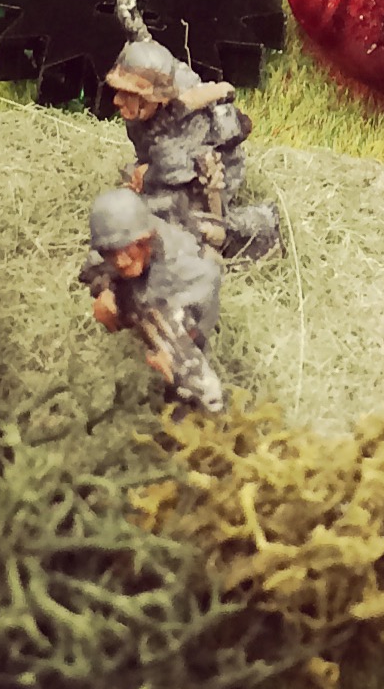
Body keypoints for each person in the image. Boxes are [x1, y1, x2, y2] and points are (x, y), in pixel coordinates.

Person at [106, 25, 281, 261]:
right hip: (173, 169)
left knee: (191, 227)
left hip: (209, 175)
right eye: (119, 91)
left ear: (152, 98)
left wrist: (145, 176)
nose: (117, 100)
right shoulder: (160, 96)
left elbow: (172, 175)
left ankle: (261, 230)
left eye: (129, 94)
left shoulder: (174, 137)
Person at [83, 187, 227, 413]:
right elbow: (92, 267)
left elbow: (204, 299)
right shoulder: (121, 238)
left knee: (188, 373)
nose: (120, 261)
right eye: (110, 252)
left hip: (182, 298)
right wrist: (106, 289)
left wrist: (174, 345)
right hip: (153, 288)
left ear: (145, 241)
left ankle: (198, 408)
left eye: (127, 250)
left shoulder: (180, 266)